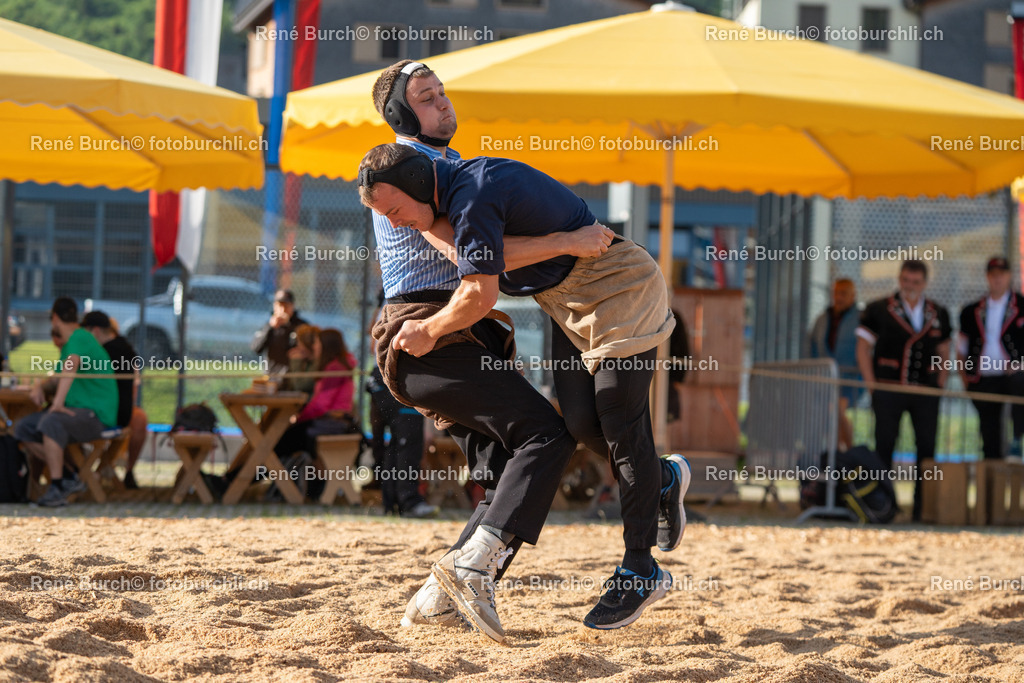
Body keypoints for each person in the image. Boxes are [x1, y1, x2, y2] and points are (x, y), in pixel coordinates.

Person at [366, 61, 686, 642]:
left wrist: (563, 242)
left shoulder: (450, 173)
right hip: (466, 322)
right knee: (569, 433)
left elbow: (481, 261)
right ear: (400, 114)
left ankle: (637, 565)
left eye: (442, 92)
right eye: (426, 98)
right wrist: (566, 240)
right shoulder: (407, 177)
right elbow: (477, 264)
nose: (443, 102)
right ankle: (656, 481)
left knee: (590, 428)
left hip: (596, 289)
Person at [856, 260, 951, 521]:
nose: (910, 287)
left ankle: (923, 508)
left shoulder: (939, 313)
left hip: (926, 391)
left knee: (927, 449)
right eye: (906, 281)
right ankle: (885, 506)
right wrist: (872, 385)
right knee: (885, 446)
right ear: (899, 279)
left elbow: (944, 350)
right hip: (888, 388)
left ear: (924, 283)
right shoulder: (878, 309)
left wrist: (941, 381)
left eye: (916, 282)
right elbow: (862, 348)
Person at [15, 297, 119, 507]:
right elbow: (57, 377)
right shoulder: (71, 343)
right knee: (23, 428)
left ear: (54, 318)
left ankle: (57, 487)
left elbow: (70, 367)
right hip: (77, 410)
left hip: (96, 414)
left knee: (51, 422)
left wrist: (57, 405)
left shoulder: (80, 337)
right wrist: (39, 387)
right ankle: (70, 477)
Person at [958, 257, 1024, 460]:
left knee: (1019, 386)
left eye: (1002, 275)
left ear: (1009, 276)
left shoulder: (1021, 306)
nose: (998, 280)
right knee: (989, 433)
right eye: (994, 275)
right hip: (983, 377)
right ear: (988, 277)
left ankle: (1017, 439)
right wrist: (965, 379)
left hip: (1014, 375)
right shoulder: (971, 311)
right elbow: (961, 349)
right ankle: (990, 479)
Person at [80, 311, 149, 489]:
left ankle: (78, 474)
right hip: (120, 413)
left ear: (95, 331)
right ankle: (101, 470)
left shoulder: (104, 352)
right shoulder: (126, 349)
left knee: (57, 422)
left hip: (108, 414)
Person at [273, 328, 358, 464]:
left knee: (280, 442)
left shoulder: (334, 368)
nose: (314, 346)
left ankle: (238, 479)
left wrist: (299, 419)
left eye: (317, 343)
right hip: (330, 422)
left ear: (326, 346)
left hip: (332, 423)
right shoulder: (336, 366)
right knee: (281, 440)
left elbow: (320, 405)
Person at [808, 278, 862, 449]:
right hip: (825, 378)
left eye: (844, 293)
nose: (839, 297)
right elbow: (812, 346)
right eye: (836, 293)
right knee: (828, 416)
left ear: (853, 296)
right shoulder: (823, 319)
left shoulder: (861, 319)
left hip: (849, 379)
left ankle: (848, 451)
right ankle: (838, 455)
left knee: (836, 413)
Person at [252, 289, 309, 373]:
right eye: (280, 305)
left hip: (293, 376)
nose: (282, 310)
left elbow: (301, 348)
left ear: (292, 306)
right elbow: (256, 348)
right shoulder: (268, 325)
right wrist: (270, 328)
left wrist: (288, 325)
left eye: (286, 306)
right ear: (274, 306)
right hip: (272, 374)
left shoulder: (301, 326)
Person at [282, 324, 320, 395]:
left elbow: (300, 386)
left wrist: (296, 362)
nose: (297, 347)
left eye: (299, 343)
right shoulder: (306, 362)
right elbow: (289, 384)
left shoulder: (318, 364)